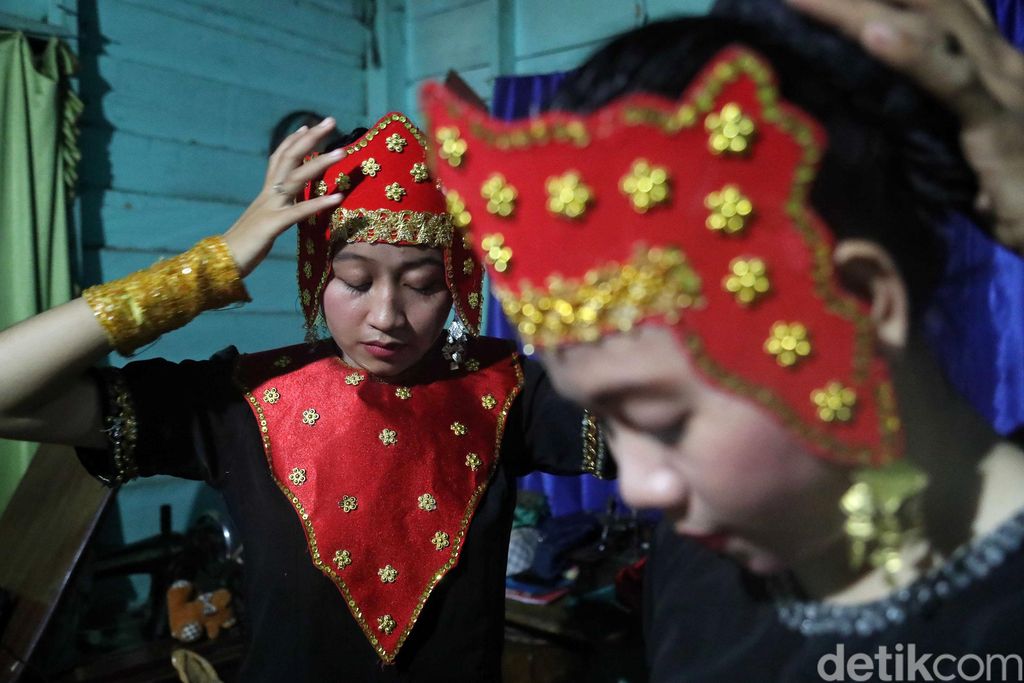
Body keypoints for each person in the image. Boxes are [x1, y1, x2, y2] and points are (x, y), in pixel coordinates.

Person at [420, 0, 1024, 679]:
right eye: (610, 422)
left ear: (863, 300)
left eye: (663, 419)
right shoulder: (693, 566)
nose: (643, 487)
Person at [0, 111, 611, 681]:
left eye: (423, 285)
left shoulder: (503, 392)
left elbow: (684, 411)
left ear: (454, 287)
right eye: (354, 280)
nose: (387, 316)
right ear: (319, 271)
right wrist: (211, 267)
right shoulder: (245, 400)